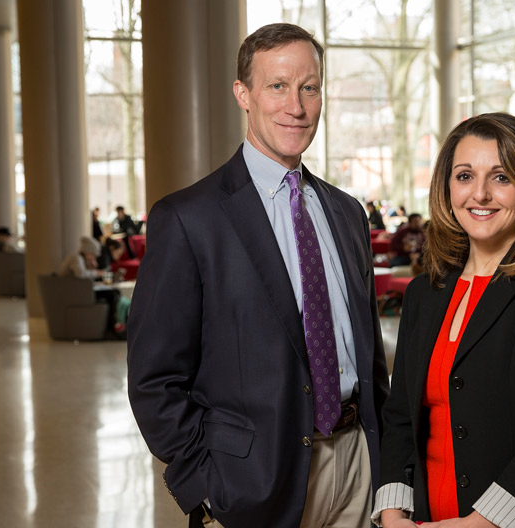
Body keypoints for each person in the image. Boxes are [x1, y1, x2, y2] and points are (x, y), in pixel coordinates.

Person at [127, 23, 389, 528]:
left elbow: (370, 357)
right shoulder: (189, 218)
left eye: (309, 87)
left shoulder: (347, 213)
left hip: (359, 470)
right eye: (277, 86)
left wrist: (388, 467)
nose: (296, 105)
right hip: (253, 484)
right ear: (243, 94)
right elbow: (154, 379)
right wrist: (204, 485)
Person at [374, 113, 515, 527]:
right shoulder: (425, 293)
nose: (479, 194)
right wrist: (393, 512)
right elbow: (400, 417)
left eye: (501, 178)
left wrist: (479, 524)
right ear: (447, 188)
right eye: (465, 176)